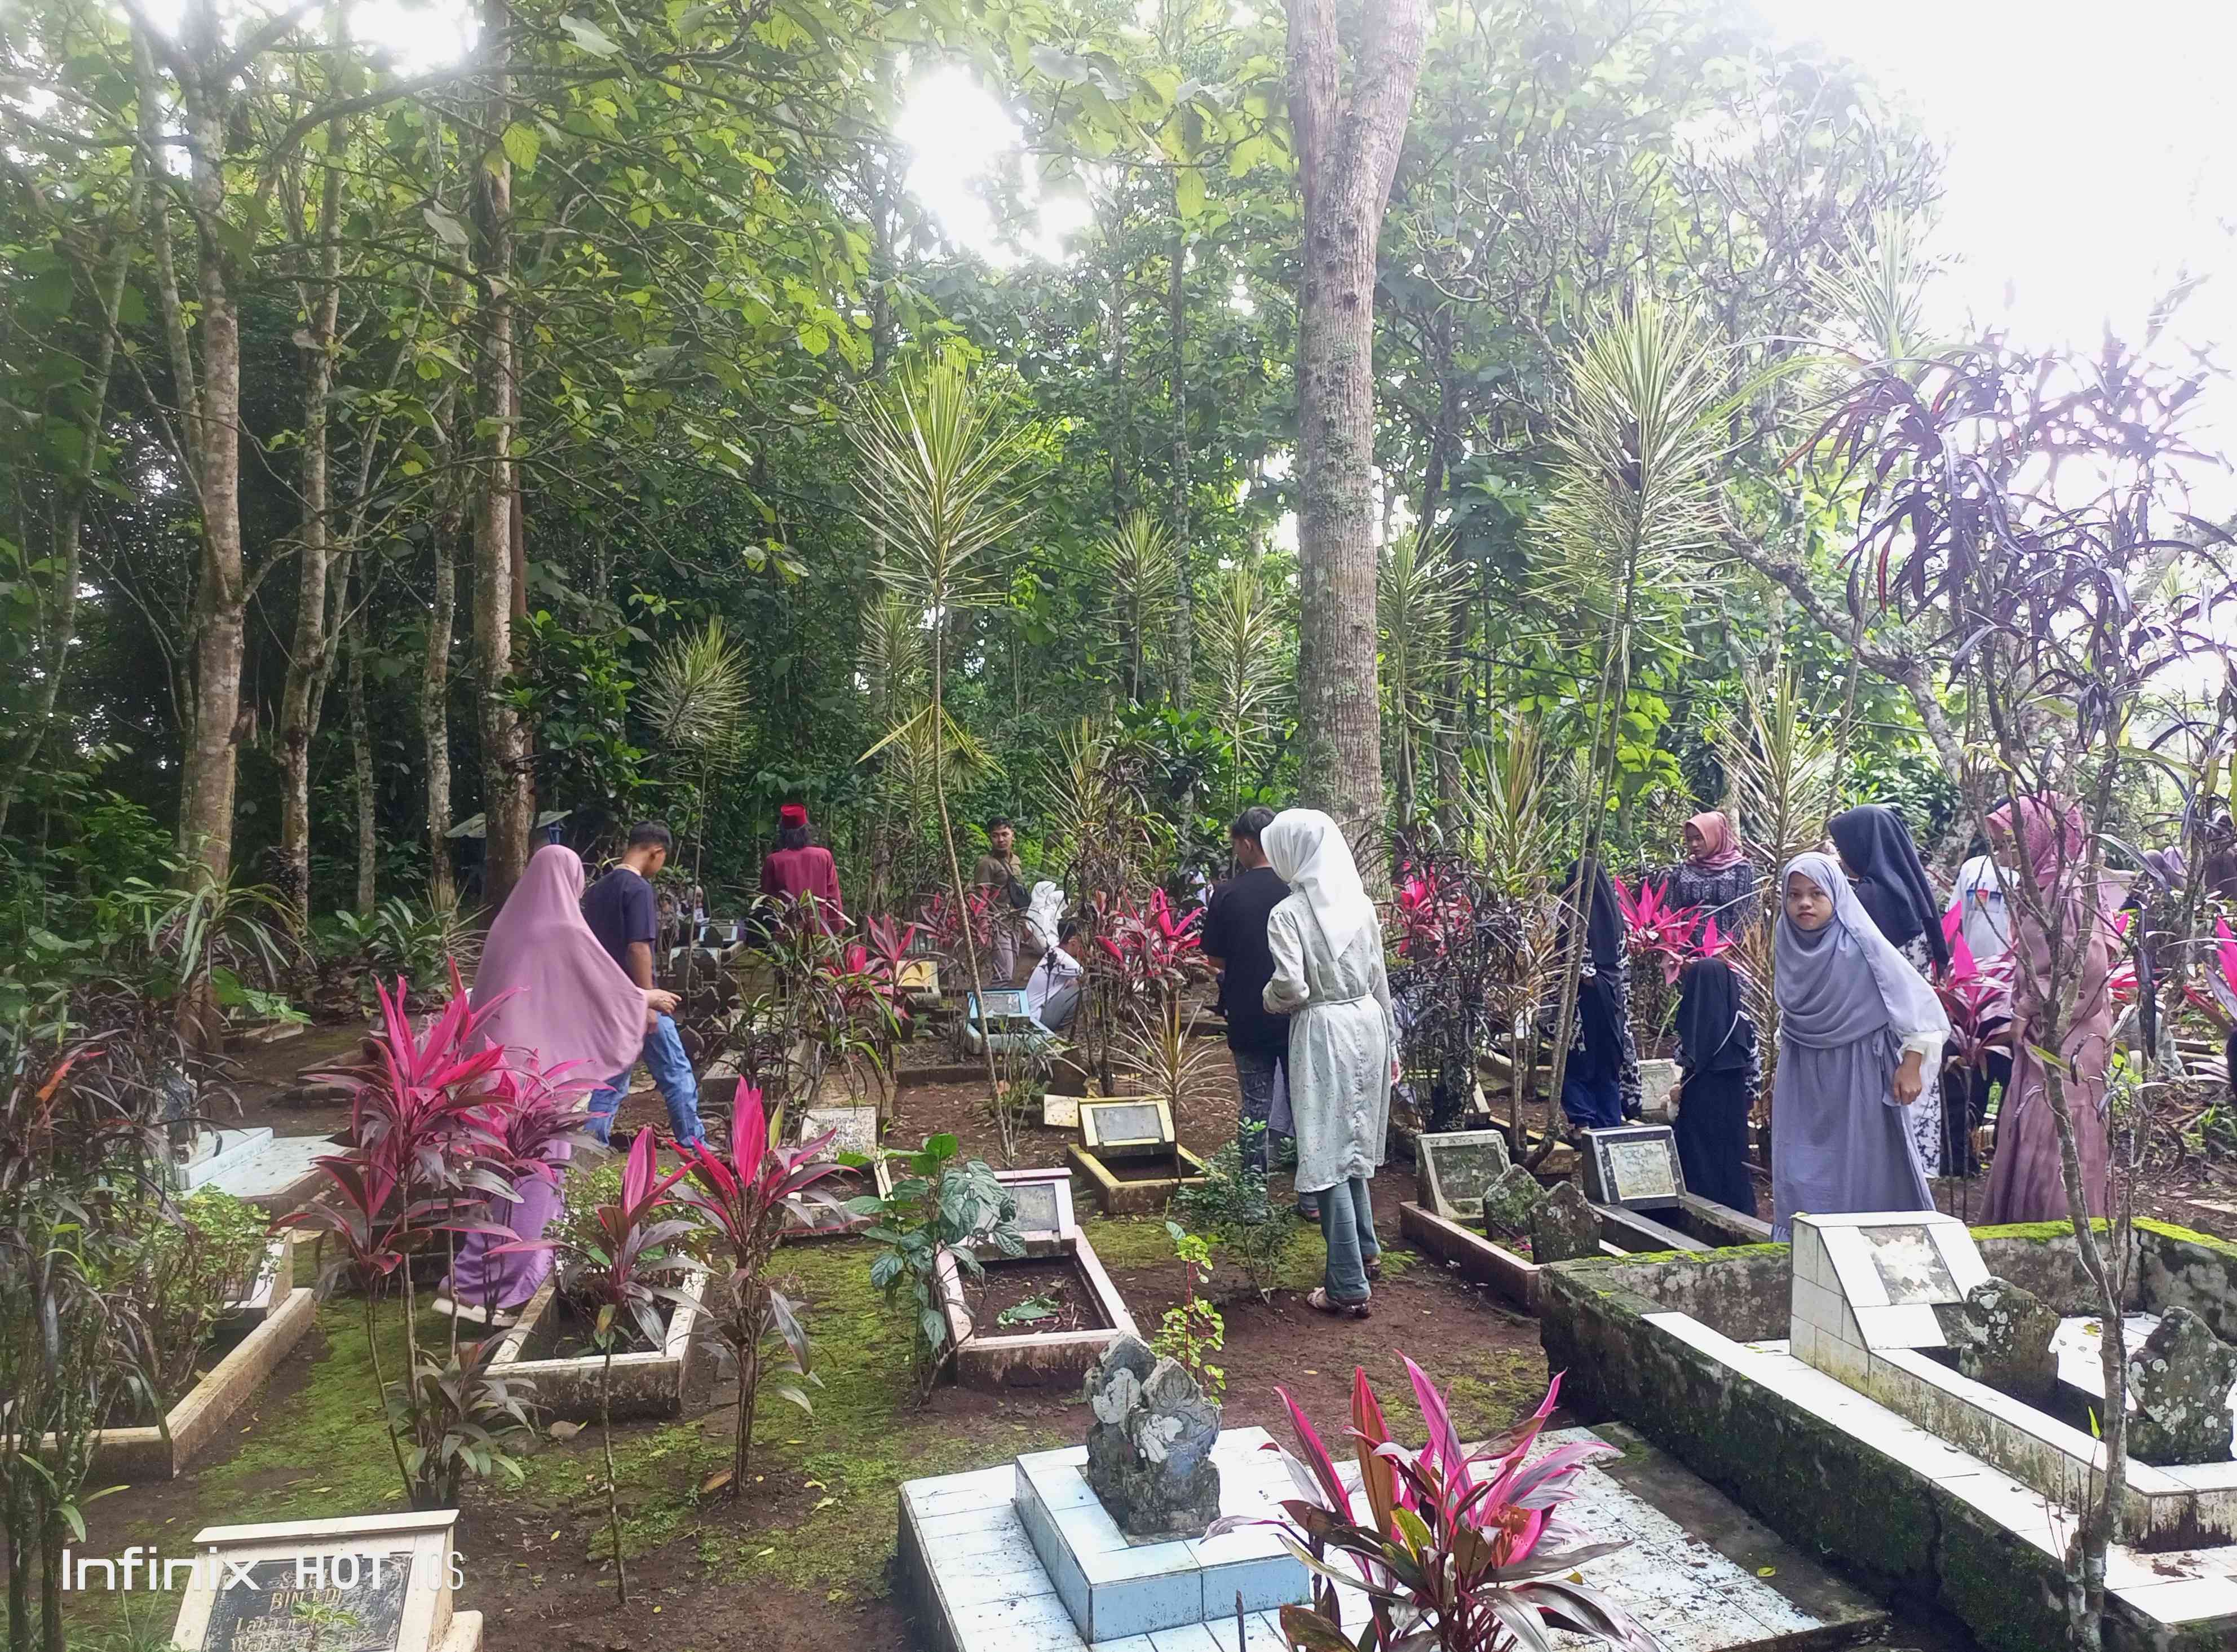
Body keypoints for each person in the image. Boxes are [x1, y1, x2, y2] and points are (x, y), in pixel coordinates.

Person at [436, 844, 671, 1326]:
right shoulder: (562, 928)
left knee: (492, 1179)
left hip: (489, 1075)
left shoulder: (506, 927)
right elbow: (599, 986)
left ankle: (468, 1283)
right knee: (535, 1180)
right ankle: (511, 1289)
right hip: (536, 1083)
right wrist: (646, 997)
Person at [1261, 810, 1396, 1320]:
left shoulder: (1288, 914)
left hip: (1322, 1031)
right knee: (1354, 1139)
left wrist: (1269, 1000)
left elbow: (1291, 987)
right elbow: (1380, 978)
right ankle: (1365, 1247)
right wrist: (1393, 1047)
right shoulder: (1359, 905)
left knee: (1324, 1146)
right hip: (1368, 1023)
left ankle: (1347, 1283)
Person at [1769, 852, 1948, 1239]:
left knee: (1867, 1169)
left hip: (1861, 1072)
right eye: (1795, 894)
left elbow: (1919, 1004)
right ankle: (1805, 1254)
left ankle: (1881, 1252)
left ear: (1837, 896)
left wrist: (1912, 1063)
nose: (1804, 903)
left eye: (1817, 894)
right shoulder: (1787, 941)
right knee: (1799, 1170)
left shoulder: (1861, 945)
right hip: (1803, 1074)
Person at [1979, 796, 2117, 1225]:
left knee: (2057, 1133)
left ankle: (2057, 1236)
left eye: (2009, 843)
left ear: (2039, 836)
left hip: (2070, 1034)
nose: (2003, 855)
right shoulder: (2040, 885)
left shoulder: (2068, 890)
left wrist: (2028, 1005)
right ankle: (2026, 1230)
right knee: (2036, 1123)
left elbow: (2087, 967)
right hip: (2046, 1031)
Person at [1829, 805, 1951, 1177]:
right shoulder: (1911, 896)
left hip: (1881, 1045)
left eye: (1843, 846)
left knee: (1876, 1161)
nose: (1840, 855)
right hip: (1916, 1041)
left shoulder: (1869, 903)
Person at [580, 821, 706, 1149]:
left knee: (610, 1081)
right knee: (676, 1075)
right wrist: (647, 1001)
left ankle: (588, 1147)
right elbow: (638, 947)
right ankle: (695, 1147)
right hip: (638, 998)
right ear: (657, 852)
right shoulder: (638, 890)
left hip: (606, 999)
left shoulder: (596, 891)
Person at [1201, 807, 1296, 1180]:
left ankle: (1253, 1193)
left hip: (1247, 1015)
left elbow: (1214, 957)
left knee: (1255, 1105)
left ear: (1247, 843)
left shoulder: (1226, 894)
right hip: (1296, 1016)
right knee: (1301, 1102)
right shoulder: (1296, 887)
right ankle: (1312, 1197)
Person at [1553, 859, 1641, 1130]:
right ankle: (1594, 1123)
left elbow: (1563, 964)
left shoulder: (1578, 919)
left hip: (1595, 1007)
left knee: (1592, 1064)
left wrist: (1590, 979)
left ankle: (1595, 1123)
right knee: (1594, 1063)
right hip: (1599, 1007)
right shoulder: (1609, 919)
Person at [1672, 956, 1759, 1216]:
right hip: (1732, 1100)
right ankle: (1738, 1205)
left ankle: (1697, 1202)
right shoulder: (1741, 1023)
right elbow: (1753, 1065)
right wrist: (1751, 1098)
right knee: (1731, 1151)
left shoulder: (1690, 1019)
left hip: (1699, 1096)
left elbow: (1681, 1057)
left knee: (1698, 1150)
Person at [1669, 810, 1759, 938]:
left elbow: (1746, 916)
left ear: (1716, 836)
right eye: (1690, 840)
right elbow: (1671, 913)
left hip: (1728, 950)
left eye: (1699, 838)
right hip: (1685, 949)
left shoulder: (1741, 869)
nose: (1694, 845)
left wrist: (1728, 949)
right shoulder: (1683, 870)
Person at [759, 803, 845, 933]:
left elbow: (767, 901)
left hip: (786, 935)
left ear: (782, 832)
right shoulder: (824, 856)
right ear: (806, 830)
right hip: (820, 934)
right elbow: (834, 898)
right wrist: (839, 931)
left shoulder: (774, 861)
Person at [972, 817, 1028, 986]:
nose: (1001, 840)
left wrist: (1025, 924)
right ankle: (993, 1010)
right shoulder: (986, 864)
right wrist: (983, 930)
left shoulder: (1016, 861)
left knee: (1010, 971)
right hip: (997, 924)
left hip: (1015, 923)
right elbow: (980, 899)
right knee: (1003, 975)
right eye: (996, 835)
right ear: (990, 838)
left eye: (1005, 834)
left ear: (1013, 835)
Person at [1947, 836, 2016, 968]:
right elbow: (1954, 921)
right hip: (1969, 969)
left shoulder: (2036, 880)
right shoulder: (1974, 867)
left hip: (2008, 975)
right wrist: (1951, 966)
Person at [1024, 921, 1084, 1032]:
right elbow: (1086, 976)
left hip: (1032, 1012)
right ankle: (1061, 1029)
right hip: (1037, 1017)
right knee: (1085, 990)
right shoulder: (1065, 960)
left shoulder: (1054, 953)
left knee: (1075, 983)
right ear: (1074, 942)